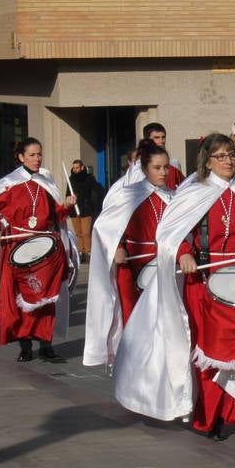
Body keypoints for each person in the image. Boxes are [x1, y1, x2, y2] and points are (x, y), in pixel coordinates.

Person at [113, 133, 235, 444]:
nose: (228, 161)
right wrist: (183, 252)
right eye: (221, 156)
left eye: (231, 155)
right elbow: (173, 233)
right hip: (206, 282)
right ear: (208, 161)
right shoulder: (193, 192)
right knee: (208, 354)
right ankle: (212, 418)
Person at [0, 137, 79, 362]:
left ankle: (46, 343)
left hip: (45, 246)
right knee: (19, 296)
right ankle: (25, 345)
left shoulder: (46, 183)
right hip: (17, 244)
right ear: (21, 157)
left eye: (39, 154)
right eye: (33, 155)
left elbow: (56, 216)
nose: (37, 159)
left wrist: (66, 205)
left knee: (46, 297)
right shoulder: (9, 183)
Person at [82, 141, 176, 367]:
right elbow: (105, 226)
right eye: (157, 168)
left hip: (165, 264)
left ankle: (158, 363)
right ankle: (133, 364)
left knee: (163, 317)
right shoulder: (128, 195)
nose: (163, 173)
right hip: (133, 266)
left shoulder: (173, 196)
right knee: (134, 317)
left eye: (166, 168)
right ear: (144, 168)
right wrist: (118, 247)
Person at [67, 159, 103, 258]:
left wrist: (93, 204)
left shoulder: (89, 178)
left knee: (86, 233)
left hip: (86, 209)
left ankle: (88, 252)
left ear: (82, 167)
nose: (75, 170)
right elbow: (67, 194)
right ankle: (80, 252)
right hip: (74, 210)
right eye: (74, 168)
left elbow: (97, 191)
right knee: (78, 233)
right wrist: (68, 207)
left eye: (77, 168)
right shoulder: (70, 179)